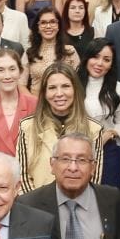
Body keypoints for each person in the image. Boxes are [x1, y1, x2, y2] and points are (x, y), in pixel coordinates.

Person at [16, 62, 104, 191]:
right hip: (35, 206)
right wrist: (34, 207)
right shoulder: (27, 126)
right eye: (52, 88)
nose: (59, 93)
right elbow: (22, 176)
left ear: (75, 89)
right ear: (44, 93)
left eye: (65, 86)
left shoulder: (94, 129)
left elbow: (93, 178)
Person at [79, 38, 120, 185]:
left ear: (112, 64)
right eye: (95, 57)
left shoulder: (119, 89)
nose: (99, 63)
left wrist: (109, 134)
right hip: (76, 150)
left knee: (106, 197)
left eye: (106, 59)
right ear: (87, 58)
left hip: (108, 151)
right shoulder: (72, 84)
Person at [25, 6, 80, 94]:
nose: (48, 26)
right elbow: (21, 85)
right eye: (43, 23)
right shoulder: (29, 53)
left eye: (52, 22)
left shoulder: (70, 51)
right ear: (37, 28)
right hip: (36, 104)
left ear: (58, 26)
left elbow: (77, 83)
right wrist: (34, 103)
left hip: (63, 102)